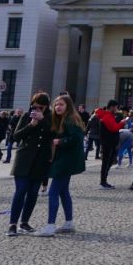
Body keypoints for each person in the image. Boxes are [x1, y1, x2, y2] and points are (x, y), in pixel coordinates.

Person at [39, 94, 85, 237]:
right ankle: (69, 222)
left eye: (61, 104)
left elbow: (77, 138)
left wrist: (60, 142)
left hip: (66, 161)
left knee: (53, 192)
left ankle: (50, 225)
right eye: (56, 104)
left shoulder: (70, 119)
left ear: (68, 106)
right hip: (66, 160)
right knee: (64, 192)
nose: (58, 107)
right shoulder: (62, 119)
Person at [7, 93, 53, 235]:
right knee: (20, 191)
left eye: (40, 107)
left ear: (46, 107)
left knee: (33, 193)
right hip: (24, 159)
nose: (36, 109)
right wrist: (31, 125)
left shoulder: (51, 118)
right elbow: (16, 136)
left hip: (40, 160)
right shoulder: (27, 116)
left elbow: (54, 134)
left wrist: (43, 120)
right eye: (34, 106)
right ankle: (12, 224)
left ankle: (25, 222)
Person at [93, 100, 124, 189]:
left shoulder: (107, 115)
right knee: (106, 162)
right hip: (108, 143)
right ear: (112, 107)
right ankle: (103, 182)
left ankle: (104, 181)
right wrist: (122, 123)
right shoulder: (107, 116)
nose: (117, 109)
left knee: (108, 162)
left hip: (109, 143)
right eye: (116, 107)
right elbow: (114, 128)